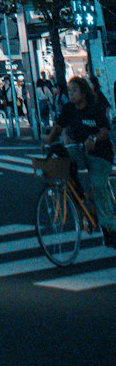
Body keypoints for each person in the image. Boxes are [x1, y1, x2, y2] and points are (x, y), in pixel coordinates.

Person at [46, 74, 116, 246]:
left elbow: (105, 130)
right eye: (69, 90)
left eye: (74, 90)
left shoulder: (95, 108)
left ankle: (109, 228)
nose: (71, 94)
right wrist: (47, 142)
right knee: (64, 155)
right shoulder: (69, 109)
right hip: (80, 149)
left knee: (98, 184)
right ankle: (79, 195)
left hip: (101, 154)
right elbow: (58, 126)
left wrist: (94, 139)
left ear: (83, 93)